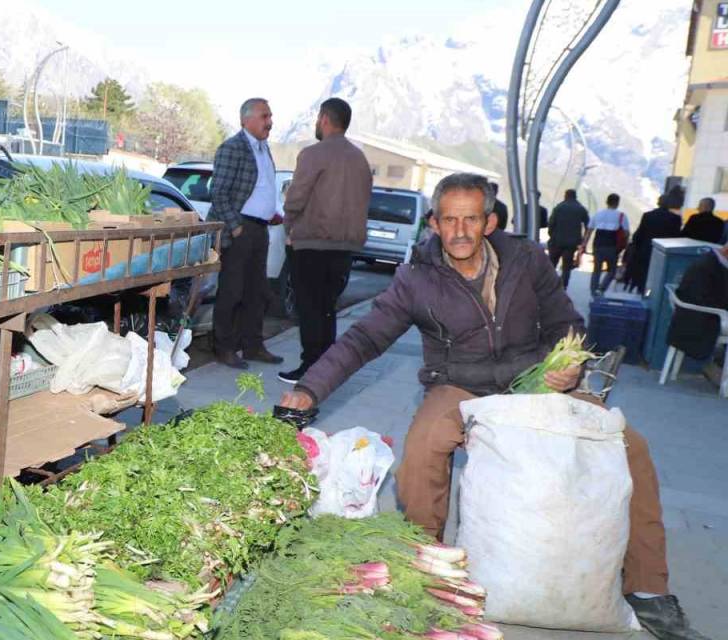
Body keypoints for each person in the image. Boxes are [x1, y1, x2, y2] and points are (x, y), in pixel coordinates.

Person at [278, 172, 707, 640]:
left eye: (470, 219)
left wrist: (568, 364)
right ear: (435, 224)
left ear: (489, 221)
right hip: (460, 385)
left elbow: (568, 322)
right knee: (420, 453)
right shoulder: (416, 279)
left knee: (630, 447)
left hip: (538, 381)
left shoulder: (527, 259)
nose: (459, 231)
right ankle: (428, 569)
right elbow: (364, 338)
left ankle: (649, 590)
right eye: (449, 220)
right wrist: (309, 388)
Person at [277, 98, 372, 384]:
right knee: (328, 308)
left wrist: (289, 224)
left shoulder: (314, 153)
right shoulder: (360, 159)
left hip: (313, 242)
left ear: (324, 119)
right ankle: (325, 368)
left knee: (309, 308)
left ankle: (310, 368)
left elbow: (296, 196)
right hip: (345, 247)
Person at [207, 98, 285, 369]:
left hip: (260, 230)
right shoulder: (232, 148)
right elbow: (218, 193)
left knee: (257, 292)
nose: (270, 122)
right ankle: (224, 348)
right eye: (265, 116)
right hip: (239, 229)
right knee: (232, 292)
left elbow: (261, 187)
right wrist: (235, 226)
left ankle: (253, 346)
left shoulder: (264, 149)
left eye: (270, 116)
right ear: (246, 120)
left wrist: (272, 213)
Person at [667, 243, 728, 367]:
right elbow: (706, 299)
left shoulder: (710, 261)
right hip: (699, 318)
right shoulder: (708, 266)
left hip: (696, 313)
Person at [622, 192, 684, 293]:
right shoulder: (675, 219)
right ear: (669, 204)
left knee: (644, 274)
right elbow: (676, 237)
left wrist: (636, 247)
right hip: (665, 252)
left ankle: (641, 291)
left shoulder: (648, 215)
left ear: (658, 202)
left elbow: (640, 233)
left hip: (646, 249)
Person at [585, 193, 630, 297]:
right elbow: (626, 232)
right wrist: (625, 245)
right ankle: (602, 288)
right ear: (617, 203)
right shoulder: (621, 216)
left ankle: (593, 291)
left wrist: (584, 244)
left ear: (607, 202)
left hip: (598, 244)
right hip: (612, 245)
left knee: (596, 269)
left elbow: (589, 230)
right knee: (612, 270)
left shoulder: (598, 214)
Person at [546, 189, 591, 289]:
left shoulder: (559, 207)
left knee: (551, 264)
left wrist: (552, 235)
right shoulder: (581, 209)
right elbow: (589, 225)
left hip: (556, 241)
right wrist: (583, 241)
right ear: (575, 197)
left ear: (565, 196)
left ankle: (548, 285)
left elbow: (551, 223)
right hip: (572, 243)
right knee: (567, 266)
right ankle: (563, 287)